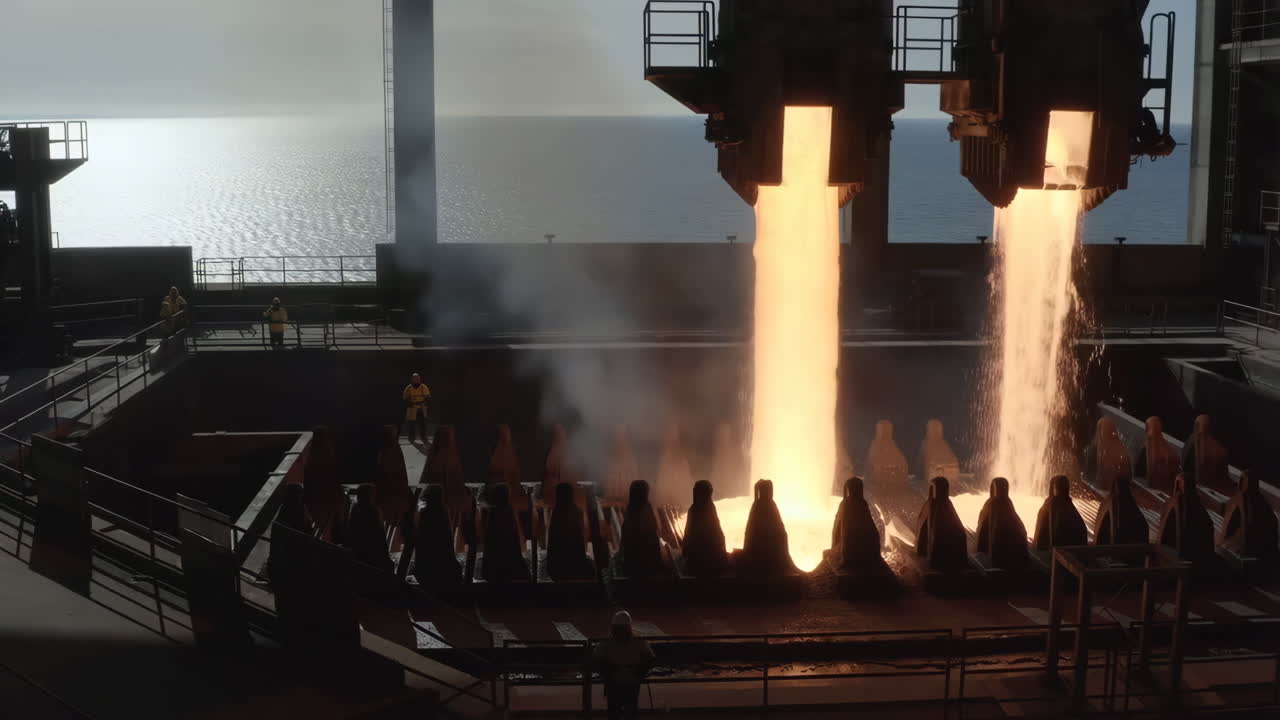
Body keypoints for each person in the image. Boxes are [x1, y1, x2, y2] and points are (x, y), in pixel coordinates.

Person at [592, 611, 655, 720]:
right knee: (629, 710)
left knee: (615, 711)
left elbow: (596, 660)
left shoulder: (606, 642)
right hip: (629, 680)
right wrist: (640, 672)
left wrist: (608, 671)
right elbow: (650, 658)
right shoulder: (638, 641)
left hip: (617, 681)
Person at [402, 373, 431, 443]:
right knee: (411, 424)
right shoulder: (408, 388)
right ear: (412, 379)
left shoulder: (423, 387)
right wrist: (411, 404)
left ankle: (423, 437)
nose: (416, 380)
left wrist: (422, 403)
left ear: (420, 379)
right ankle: (411, 437)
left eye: (417, 378)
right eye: (414, 378)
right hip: (412, 408)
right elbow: (405, 398)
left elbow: (428, 397)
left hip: (422, 407)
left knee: (423, 424)